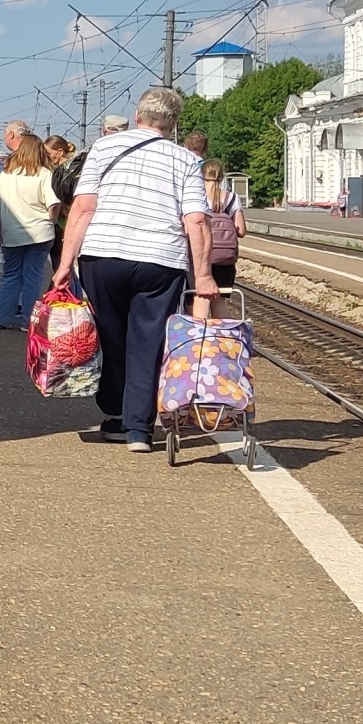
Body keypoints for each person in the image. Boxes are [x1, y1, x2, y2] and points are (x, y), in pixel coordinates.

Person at [50, 86, 218, 451]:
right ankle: (138, 429)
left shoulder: (103, 148)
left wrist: (65, 263)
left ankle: (113, 417)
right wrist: (203, 275)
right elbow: (197, 221)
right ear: (173, 124)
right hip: (160, 260)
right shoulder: (185, 160)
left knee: (110, 337)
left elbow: (81, 209)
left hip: (103, 257)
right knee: (148, 340)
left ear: (138, 115)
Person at [0, 135, 57, 330]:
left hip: (12, 233)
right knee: (33, 276)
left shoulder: (6, 175)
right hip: (40, 233)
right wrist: (52, 221)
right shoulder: (44, 174)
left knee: (11, 276)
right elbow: (53, 204)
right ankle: (29, 321)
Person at [44, 134, 83, 268]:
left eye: (48, 153)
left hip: (64, 223)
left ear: (60, 152)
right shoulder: (76, 168)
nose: (46, 157)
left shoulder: (62, 172)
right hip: (73, 221)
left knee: (62, 266)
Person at [203, 159, 244, 288]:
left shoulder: (197, 197)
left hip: (202, 259)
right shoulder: (233, 198)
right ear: (222, 177)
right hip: (225, 260)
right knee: (220, 301)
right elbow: (241, 231)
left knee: (200, 300)